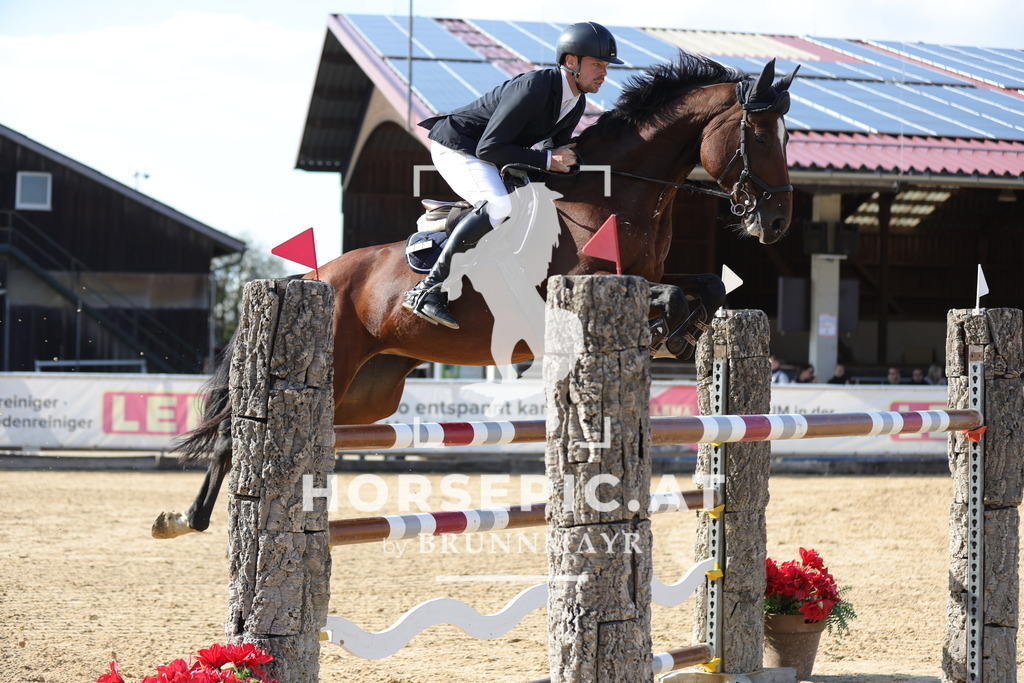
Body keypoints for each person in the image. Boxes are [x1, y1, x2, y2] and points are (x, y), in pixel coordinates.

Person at [403, 22, 622, 329]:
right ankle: (427, 289)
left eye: (606, 66)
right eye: (597, 64)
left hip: (492, 153)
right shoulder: (536, 86)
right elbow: (490, 147)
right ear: (571, 62)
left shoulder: (576, 102)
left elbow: (553, 149)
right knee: (499, 207)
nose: (604, 73)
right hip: (459, 148)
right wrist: (548, 159)